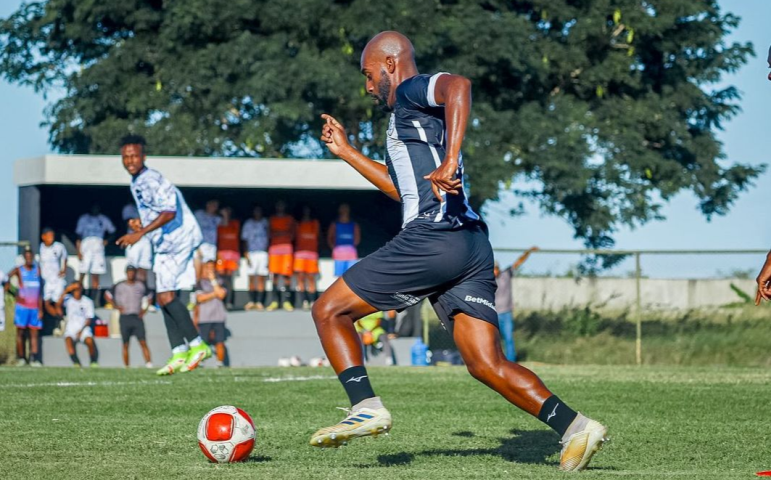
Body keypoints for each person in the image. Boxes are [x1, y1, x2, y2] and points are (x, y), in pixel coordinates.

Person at [310, 32, 606, 472]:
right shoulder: (410, 120)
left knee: (329, 310)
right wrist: (348, 152)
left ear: (390, 64)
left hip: (434, 237)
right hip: (469, 243)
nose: (368, 86)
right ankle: (576, 426)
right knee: (486, 363)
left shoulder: (410, 92)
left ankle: (365, 406)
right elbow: (405, 191)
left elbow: (459, 86)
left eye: (369, 75)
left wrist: (451, 159)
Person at [116, 134, 211, 376]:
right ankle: (179, 351)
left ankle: (198, 345)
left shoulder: (152, 178)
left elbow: (170, 212)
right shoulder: (137, 181)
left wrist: (139, 233)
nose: (130, 161)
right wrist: (141, 224)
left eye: (134, 156)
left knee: (167, 295)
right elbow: (157, 211)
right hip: (165, 242)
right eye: (125, 157)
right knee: (163, 296)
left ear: (144, 156)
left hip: (178, 239)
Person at [495, 247, 538, 362]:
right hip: (493, 313)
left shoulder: (506, 274)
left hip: (506, 313)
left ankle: (510, 361)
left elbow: (518, 262)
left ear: (499, 268)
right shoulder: (487, 279)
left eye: (496, 269)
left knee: (509, 338)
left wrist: (528, 252)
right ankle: (496, 360)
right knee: (494, 340)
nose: (494, 272)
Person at [105, 266, 152, 368]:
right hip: (125, 317)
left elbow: (150, 296)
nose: (131, 274)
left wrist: (145, 309)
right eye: (129, 272)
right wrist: (115, 306)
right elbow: (107, 294)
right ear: (126, 273)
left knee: (142, 341)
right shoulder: (119, 285)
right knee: (125, 343)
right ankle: (127, 366)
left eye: (132, 272)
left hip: (137, 317)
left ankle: (149, 364)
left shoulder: (140, 285)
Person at [75, 204, 116, 305]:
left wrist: (107, 241)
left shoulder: (103, 219)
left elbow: (113, 232)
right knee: (82, 272)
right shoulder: (84, 219)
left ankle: (94, 300)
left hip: (98, 247)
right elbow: (78, 235)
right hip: (86, 247)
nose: (95, 209)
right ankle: (78, 296)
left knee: (96, 274)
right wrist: (78, 250)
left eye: (97, 208)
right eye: (93, 207)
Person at [10, 248, 43, 367]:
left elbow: (40, 291)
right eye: (27, 257)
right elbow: (6, 279)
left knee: (34, 333)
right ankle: (21, 357)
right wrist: (15, 294)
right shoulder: (19, 270)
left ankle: (34, 358)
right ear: (24, 258)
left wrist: (40, 309)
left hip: (34, 308)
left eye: (30, 256)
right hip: (22, 307)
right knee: (21, 332)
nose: (29, 259)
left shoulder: (37, 270)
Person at [195, 260, 228, 367]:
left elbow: (222, 295)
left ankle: (220, 363)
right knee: (203, 341)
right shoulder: (200, 283)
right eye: (207, 268)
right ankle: (200, 361)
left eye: (211, 268)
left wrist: (213, 281)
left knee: (220, 341)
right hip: (205, 317)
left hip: (218, 316)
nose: (209, 271)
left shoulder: (220, 281)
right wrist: (214, 294)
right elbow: (200, 298)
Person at [57, 281, 98, 367]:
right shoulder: (68, 300)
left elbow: (89, 319)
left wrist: (81, 331)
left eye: (78, 289)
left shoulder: (87, 301)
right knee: (68, 340)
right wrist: (66, 291)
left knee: (89, 341)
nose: (77, 291)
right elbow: (58, 305)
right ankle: (76, 362)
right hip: (71, 327)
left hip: (83, 327)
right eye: (74, 289)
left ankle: (93, 361)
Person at [266, 200, 295, 312]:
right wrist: (281, 233)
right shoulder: (272, 219)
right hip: (274, 250)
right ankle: (275, 301)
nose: (280, 208)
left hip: (287, 249)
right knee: (275, 275)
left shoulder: (289, 219)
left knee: (287, 275)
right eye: (278, 206)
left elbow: (292, 234)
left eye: (282, 206)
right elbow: (269, 233)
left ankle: (287, 301)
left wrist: (279, 233)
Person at [241, 205, 270, 311]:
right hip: (251, 252)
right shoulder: (248, 224)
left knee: (261, 277)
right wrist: (246, 253)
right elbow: (244, 240)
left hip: (263, 253)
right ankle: (252, 301)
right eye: (255, 211)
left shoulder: (265, 223)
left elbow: (269, 237)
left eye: (259, 211)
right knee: (251, 277)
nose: (257, 213)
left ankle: (259, 302)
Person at [294, 205, 320, 310]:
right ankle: (304, 301)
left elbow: (318, 237)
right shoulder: (298, 224)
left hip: (312, 254)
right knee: (300, 277)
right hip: (299, 254)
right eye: (304, 211)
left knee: (311, 278)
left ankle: (312, 301)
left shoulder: (315, 223)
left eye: (308, 211)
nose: (306, 213)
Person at [39, 227, 68, 318]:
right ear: (43, 237)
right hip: (46, 280)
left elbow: (65, 257)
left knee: (58, 303)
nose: (51, 238)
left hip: (57, 280)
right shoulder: (40, 248)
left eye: (52, 236)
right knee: (46, 303)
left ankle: (62, 320)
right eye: (49, 236)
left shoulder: (59, 246)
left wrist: (64, 270)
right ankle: (59, 319)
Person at [215, 206, 240, 310]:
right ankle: (220, 301)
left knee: (229, 279)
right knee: (220, 279)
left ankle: (229, 302)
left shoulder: (235, 223)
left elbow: (233, 232)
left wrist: (225, 216)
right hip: (221, 254)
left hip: (232, 255)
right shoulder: (218, 223)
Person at [122, 202, 153, 285]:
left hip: (146, 239)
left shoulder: (148, 206)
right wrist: (139, 225)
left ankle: (142, 291)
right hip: (133, 238)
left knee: (144, 268)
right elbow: (130, 223)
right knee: (132, 268)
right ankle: (132, 290)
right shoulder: (129, 208)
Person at [328, 203, 361, 276]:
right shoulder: (335, 224)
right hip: (338, 252)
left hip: (351, 252)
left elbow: (357, 238)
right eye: (342, 208)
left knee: (351, 276)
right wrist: (334, 248)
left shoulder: (354, 224)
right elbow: (329, 237)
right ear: (339, 210)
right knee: (340, 277)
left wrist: (350, 247)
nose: (344, 210)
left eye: (346, 208)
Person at [194, 199, 221, 279]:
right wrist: (196, 247)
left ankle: (208, 286)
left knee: (209, 270)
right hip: (199, 246)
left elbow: (225, 224)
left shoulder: (216, 218)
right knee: (198, 270)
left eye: (216, 206)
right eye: (212, 205)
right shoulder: (199, 214)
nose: (214, 207)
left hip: (211, 247)